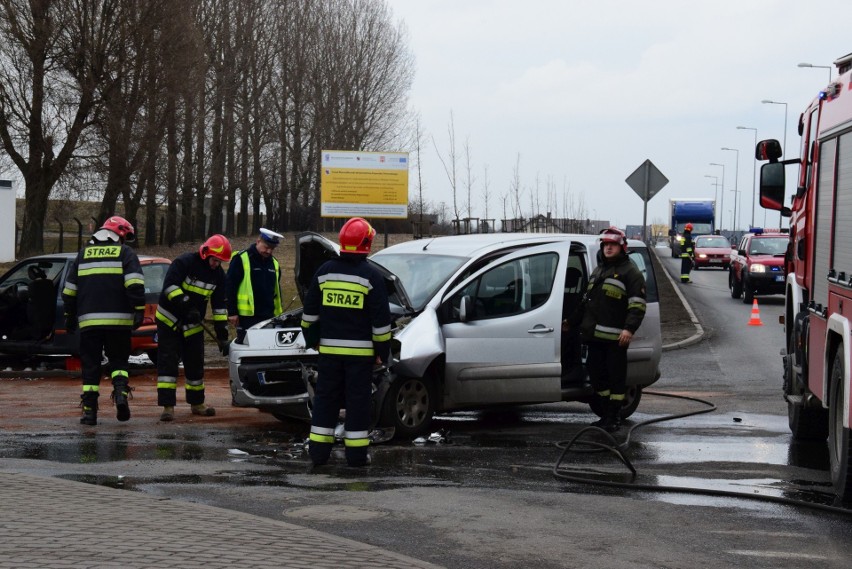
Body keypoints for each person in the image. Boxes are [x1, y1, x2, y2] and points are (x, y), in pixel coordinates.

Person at [300, 217, 391, 467]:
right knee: (357, 403)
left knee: (325, 401)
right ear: (367, 244)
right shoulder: (372, 276)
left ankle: (318, 453)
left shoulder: (324, 272)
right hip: (360, 357)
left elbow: (308, 316)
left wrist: (313, 341)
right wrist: (383, 352)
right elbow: (381, 325)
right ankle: (356, 456)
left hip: (328, 354)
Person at [62, 216, 145, 425]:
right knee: (118, 361)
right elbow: (135, 284)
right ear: (120, 235)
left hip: (90, 323)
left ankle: (90, 412)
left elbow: (70, 290)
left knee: (90, 366)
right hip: (119, 323)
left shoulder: (83, 254)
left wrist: (69, 316)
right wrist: (138, 311)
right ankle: (120, 395)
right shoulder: (125, 253)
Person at [574, 227, 646, 433]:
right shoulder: (599, 270)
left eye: (612, 245)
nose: (608, 248)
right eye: (605, 245)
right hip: (595, 337)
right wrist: (570, 321)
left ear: (622, 247)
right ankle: (606, 414)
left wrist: (628, 330)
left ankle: (614, 417)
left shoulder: (630, 272)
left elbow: (638, 304)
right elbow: (586, 302)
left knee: (616, 379)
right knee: (597, 376)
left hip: (616, 339)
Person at [155, 234, 231, 421]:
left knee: (195, 365)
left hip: (193, 323)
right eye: (215, 260)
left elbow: (219, 306)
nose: (216, 264)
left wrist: (222, 335)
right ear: (206, 253)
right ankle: (168, 407)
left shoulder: (219, 275)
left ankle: (197, 404)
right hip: (169, 320)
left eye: (220, 262)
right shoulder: (185, 262)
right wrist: (187, 305)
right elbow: (170, 287)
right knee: (168, 364)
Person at [226, 228, 283, 334]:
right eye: (266, 247)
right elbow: (230, 286)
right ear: (258, 241)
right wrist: (232, 312)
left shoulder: (274, 263)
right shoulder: (241, 259)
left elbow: (276, 290)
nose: (269, 251)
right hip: (247, 317)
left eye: (272, 249)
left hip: (268, 316)